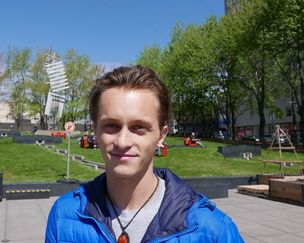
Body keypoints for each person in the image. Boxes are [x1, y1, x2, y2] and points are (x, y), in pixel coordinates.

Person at [46, 66, 243, 242]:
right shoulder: (63, 217)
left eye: (139, 127)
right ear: (95, 131)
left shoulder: (212, 230)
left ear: (161, 135)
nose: (122, 142)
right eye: (111, 126)